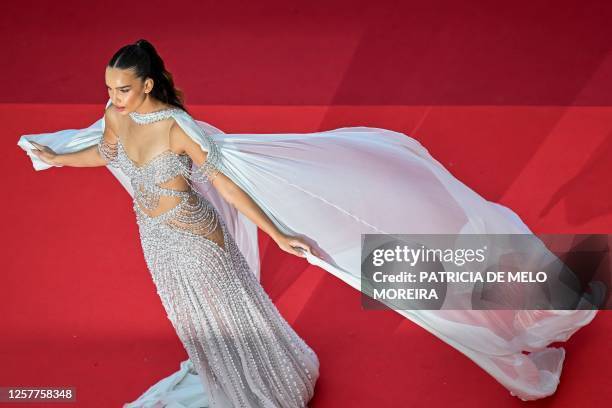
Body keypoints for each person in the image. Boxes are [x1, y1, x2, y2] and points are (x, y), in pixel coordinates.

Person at [18, 39, 599, 405]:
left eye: (123, 87)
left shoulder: (178, 127)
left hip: (197, 240)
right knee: (191, 318)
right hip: (157, 241)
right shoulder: (114, 118)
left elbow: (226, 184)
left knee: (226, 310)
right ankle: (226, 376)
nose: (113, 97)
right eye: (108, 88)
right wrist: (58, 158)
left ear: (147, 84)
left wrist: (276, 233)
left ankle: (267, 386)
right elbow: (109, 154)